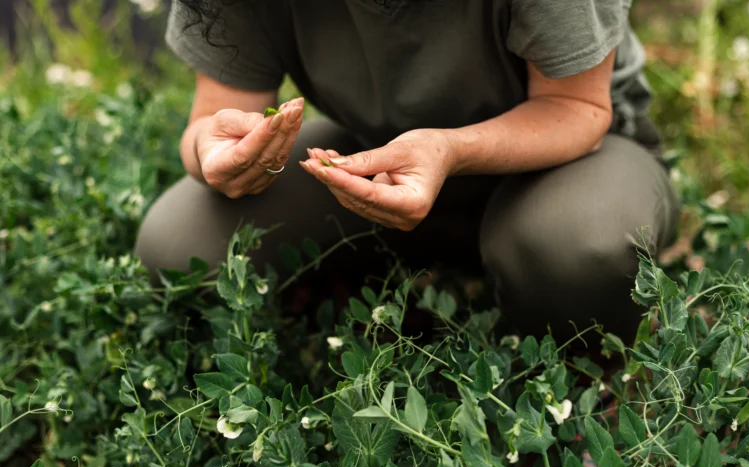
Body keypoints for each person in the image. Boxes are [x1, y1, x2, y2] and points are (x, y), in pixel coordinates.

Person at [135, 0, 679, 344]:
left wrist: (449, 151)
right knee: (180, 247)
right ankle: (391, 274)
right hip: (383, 154)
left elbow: (578, 108)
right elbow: (213, 115)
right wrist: (217, 152)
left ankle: (589, 374)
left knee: (578, 249)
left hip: (569, 159)